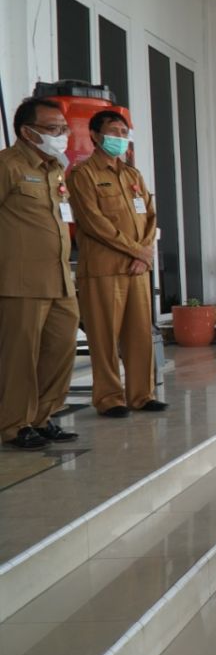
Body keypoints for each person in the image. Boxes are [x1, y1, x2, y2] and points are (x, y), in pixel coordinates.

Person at [67, 110, 167, 417]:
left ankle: (142, 394)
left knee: (139, 335)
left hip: (137, 270)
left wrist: (145, 252)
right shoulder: (83, 175)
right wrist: (137, 251)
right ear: (96, 136)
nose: (120, 138)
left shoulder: (132, 175)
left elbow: (150, 216)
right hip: (103, 270)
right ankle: (110, 398)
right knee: (104, 337)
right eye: (114, 132)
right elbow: (93, 223)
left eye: (124, 133)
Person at [0, 98, 80, 450]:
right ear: (27, 131)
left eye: (63, 128)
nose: (60, 135)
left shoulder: (55, 170)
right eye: (52, 129)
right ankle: (14, 425)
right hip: (21, 282)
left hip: (61, 279)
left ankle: (42, 416)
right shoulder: (8, 166)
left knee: (61, 348)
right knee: (20, 357)